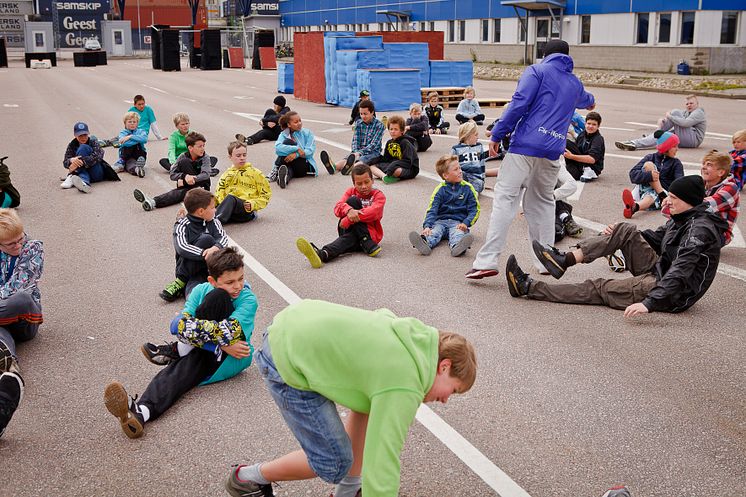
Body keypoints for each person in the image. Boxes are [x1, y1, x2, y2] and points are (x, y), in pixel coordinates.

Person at [223, 299, 476, 497]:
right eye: (453, 390)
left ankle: (349, 490)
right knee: (333, 462)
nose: (445, 400)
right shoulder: (405, 383)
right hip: (285, 358)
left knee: (367, 405)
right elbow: (382, 461)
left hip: (295, 326)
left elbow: (381, 316)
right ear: (444, 366)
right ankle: (247, 479)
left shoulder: (412, 338)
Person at [507, 175, 727, 317]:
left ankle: (528, 287)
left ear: (689, 200)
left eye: (673, 198)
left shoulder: (698, 231)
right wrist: (617, 237)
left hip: (672, 292)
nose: (667, 201)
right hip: (662, 270)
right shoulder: (683, 216)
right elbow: (655, 237)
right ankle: (564, 260)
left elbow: (681, 271)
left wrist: (649, 303)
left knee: (598, 287)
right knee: (625, 230)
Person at [466, 39, 595, 280]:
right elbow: (588, 100)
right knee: (543, 203)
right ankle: (545, 261)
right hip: (552, 151)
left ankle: (487, 260)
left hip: (525, 145)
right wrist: (589, 100)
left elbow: (519, 103)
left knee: (505, 199)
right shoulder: (574, 82)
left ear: (544, 55)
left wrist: (498, 133)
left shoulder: (536, 71)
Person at [104, 247, 256, 439]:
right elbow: (176, 326)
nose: (238, 286)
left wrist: (206, 337)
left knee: (219, 299)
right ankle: (141, 412)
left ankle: (179, 350)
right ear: (212, 280)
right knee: (183, 368)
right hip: (218, 349)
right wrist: (218, 344)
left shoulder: (248, 299)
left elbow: (228, 333)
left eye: (241, 278)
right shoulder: (201, 290)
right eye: (230, 282)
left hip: (234, 356)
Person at [0, 209, 43, 437]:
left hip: (25, 316)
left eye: (19, 239)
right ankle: (8, 367)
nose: (17, 246)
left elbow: (19, 285)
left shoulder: (33, 247)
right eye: (10, 244)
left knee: (20, 299)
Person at [296, 164, 385, 268]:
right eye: (359, 183)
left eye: (367, 182)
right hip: (349, 229)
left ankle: (323, 254)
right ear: (354, 184)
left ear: (372, 180)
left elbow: (373, 212)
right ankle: (365, 242)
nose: (364, 186)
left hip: (370, 233)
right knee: (352, 200)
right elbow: (337, 208)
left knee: (348, 239)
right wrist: (349, 210)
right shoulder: (351, 191)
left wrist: (349, 219)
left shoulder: (378, 195)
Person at [158, 188, 229, 302]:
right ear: (201, 211)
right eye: (212, 207)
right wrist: (204, 253)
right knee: (193, 288)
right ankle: (182, 283)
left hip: (210, 266)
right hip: (190, 269)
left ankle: (184, 283)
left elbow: (223, 238)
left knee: (215, 284)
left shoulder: (213, 221)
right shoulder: (182, 225)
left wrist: (216, 248)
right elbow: (181, 247)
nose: (215, 210)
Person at [408, 155, 479, 257]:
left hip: (458, 223)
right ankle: (425, 243)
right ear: (445, 175)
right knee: (434, 232)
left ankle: (458, 247)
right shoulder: (440, 190)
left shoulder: (468, 188)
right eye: (456, 169)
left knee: (458, 233)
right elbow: (432, 209)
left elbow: (475, 209)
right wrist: (427, 226)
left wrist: (466, 223)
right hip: (440, 221)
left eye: (459, 168)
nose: (460, 171)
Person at [133, 132, 212, 212]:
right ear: (190, 148)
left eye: (203, 146)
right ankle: (152, 202)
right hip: (188, 184)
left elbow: (206, 175)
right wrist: (184, 176)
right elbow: (172, 174)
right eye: (199, 146)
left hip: (201, 186)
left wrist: (189, 179)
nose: (203, 148)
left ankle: (153, 201)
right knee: (184, 164)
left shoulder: (205, 157)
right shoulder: (182, 156)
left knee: (180, 193)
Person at [621, 131, 683, 219]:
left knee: (652, 195)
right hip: (645, 189)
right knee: (648, 165)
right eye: (674, 146)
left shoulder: (676, 163)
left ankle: (634, 207)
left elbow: (679, 182)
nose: (677, 149)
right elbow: (633, 175)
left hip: (662, 194)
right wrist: (650, 176)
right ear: (666, 147)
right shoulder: (651, 157)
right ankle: (659, 196)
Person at [615, 95, 706, 151]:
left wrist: (669, 116)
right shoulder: (686, 112)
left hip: (693, 141)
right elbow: (677, 121)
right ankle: (634, 143)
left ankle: (656, 131)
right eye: (687, 104)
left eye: (691, 103)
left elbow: (685, 123)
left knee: (675, 112)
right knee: (663, 135)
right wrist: (663, 121)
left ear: (697, 104)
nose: (689, 105)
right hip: (686, 138)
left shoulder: (699, 112)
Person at [321, 100, 384, 176]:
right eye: (361, 114)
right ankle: (334, 166)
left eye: (365, 114)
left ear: (372, 112)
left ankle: (350, 168)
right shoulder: (358, 123)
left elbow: (374, 144)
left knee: (360, 162)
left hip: (373, 153)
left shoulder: (379, 125)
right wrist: (355, 152)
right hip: (358, 151)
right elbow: (355, 140)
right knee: (347, 159)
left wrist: (359, 153)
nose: (363, 116)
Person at [215, 141, 272, 225]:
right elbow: (218, 194)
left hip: (246, 211)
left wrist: (253, 204)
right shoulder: (226, 175)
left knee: (231, 197)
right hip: (229, 209)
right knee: (203, 197)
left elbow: (265, 195)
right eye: (238, 156)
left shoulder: (256, 173)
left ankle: (215, 222)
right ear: (230, 157)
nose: (242, 158)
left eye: (244, 155)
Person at [61, 122, 121, 193]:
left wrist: (79, 162)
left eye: (85, 135)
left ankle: (72, 175)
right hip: (85, 173)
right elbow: (65, 162)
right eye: (80, 135)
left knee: (83, 147)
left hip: (96, 172)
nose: (83, 138)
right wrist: (71, 160)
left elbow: (99, 156)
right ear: (75, 135)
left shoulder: (93, 142)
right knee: (80, 160)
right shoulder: (72, 145)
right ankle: (84, 184)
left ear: (88, 133)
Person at [697, 149, 740, 246]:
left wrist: (680, 202)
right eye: (704, 164)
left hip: (719, 232)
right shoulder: (701, 183)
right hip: (701, 224)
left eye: (709, 165)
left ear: (721, 172)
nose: (703, 167)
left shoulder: (731, 188)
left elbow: (705, 206)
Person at [273, 111, 320, 189]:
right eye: (296, 122)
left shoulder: (307, 133)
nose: (299, 123)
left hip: (302, 164)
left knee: (287, 145)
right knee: (287, 167)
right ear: (289, 124)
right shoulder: (284, 134)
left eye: (300, 121)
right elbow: (278, 149)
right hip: (288, 162)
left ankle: (277, 171)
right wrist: (296, 149)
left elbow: (310, 151)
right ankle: (284, 179)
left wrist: (296, 154)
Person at [369, 116, 419, 184]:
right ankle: (384, 177)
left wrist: (393, 165)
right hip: (393, 165)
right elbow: (386, 159)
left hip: (408, 168)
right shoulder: (389, 142)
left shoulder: (405, 142)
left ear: (402, 131)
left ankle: (388, 174)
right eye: (391, 129)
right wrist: (372, 160)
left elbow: (408, 161)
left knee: (397, 171)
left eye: (396, 129)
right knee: (372, 167)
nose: (393, 131)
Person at [563, 111, 605, 182]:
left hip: (592, 166)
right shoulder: (582, 134)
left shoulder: (598, 139)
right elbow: (576, 149)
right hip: (580, 164)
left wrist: (571, 156)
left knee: (568, 177)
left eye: (594, 124)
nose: (590, 126)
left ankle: (588, 171)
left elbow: (592, 159)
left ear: (598, 126)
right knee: (566, 142)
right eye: (589, 123)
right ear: (585, 124)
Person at [452, 121, 488, 193]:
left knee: (476, 184)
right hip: (463, 176)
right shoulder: (456, 149)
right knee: (460, 178)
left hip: (476, 177)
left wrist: (483, 178)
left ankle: (471, 194)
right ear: (467, 135)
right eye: (475, 135)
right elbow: (452, 165)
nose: (477, 137)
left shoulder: (479, 146)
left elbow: (482, 164)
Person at [553, 161, 583, 241]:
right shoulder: (528, 161)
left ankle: (564, 216)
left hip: (555, 202)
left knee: (556, 232)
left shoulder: (554, 162)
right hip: (540, 206)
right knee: (554, 232)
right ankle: (564, 217)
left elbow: (572, 185)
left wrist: (552, 196)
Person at [116, 111, 148, 177]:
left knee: (137, 147)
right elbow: (124, 143)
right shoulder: (123, 132)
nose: (132, 124)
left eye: (134, 122)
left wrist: (130, 136)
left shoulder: (141, 131)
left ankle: (138, 165)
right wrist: (138, 139)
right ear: (125, 123)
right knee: (130, 164)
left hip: (139, 155)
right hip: (128, 156)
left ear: (137, 123)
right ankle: (137, 170)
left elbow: (144, 139)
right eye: (130, 122)